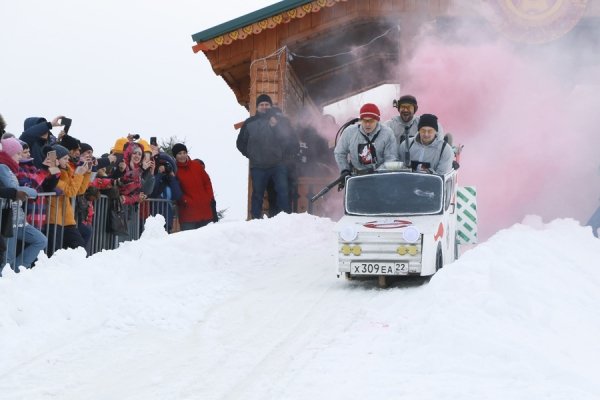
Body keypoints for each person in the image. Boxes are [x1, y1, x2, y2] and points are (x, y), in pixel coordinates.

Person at [238, 100, 296, 219]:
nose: (264, 107)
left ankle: (286, 219)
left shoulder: (281, 121)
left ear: (270, 106)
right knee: (257, 194)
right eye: (261, 104)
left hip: (278, 165)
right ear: (257, 107)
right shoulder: (250, 122)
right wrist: (251, 155)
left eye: (267, 104)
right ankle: (255, 219)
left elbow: (289, 141)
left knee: (283, 192)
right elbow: (240, 143)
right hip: (258, 166)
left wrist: (275, 127)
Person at [0, 138, 47, 271]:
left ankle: (17, 271)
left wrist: (28, 191)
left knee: (41, 240)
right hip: (9, 220)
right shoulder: (3, 167)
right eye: (18, 153)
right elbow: (14, 189)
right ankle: (6, 281)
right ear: (9, 153)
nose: (20, 157)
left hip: (18, 219)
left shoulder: (11, 169)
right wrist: (29, 191)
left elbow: (21, 190)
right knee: (7, 257)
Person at [46, 144, 91, 256]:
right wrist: (79, 174)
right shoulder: (52, 172)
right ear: (57, 159)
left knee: (79, 249)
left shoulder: (68, 170)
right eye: (65, 158)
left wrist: (86, 173)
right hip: (53, 217)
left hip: (67, 218)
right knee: (53, 253)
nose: (67, 161)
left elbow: (79, 190)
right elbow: (71, 191)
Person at [334, 103, 398, 177]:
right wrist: (345, 169)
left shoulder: (387, 133)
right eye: (364, 121)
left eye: (371, 121)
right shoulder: (349, 132)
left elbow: (391, 158)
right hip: (356, 177)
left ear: (377, 120)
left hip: (380, 177)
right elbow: (339, 153)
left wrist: (378, 172)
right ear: (360, 120)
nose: (367, 124)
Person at [172, 143, 215, 230]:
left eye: (184, 152)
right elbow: (176, 189)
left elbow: (207, 182)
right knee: (189, 242)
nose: (182, 156)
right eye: (179, 153)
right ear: (175, 156)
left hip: (205, 211)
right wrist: (184, 200)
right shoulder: (174, 170)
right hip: (188, 214)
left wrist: (209, 197)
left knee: (208, 241)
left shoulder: (197, 165)